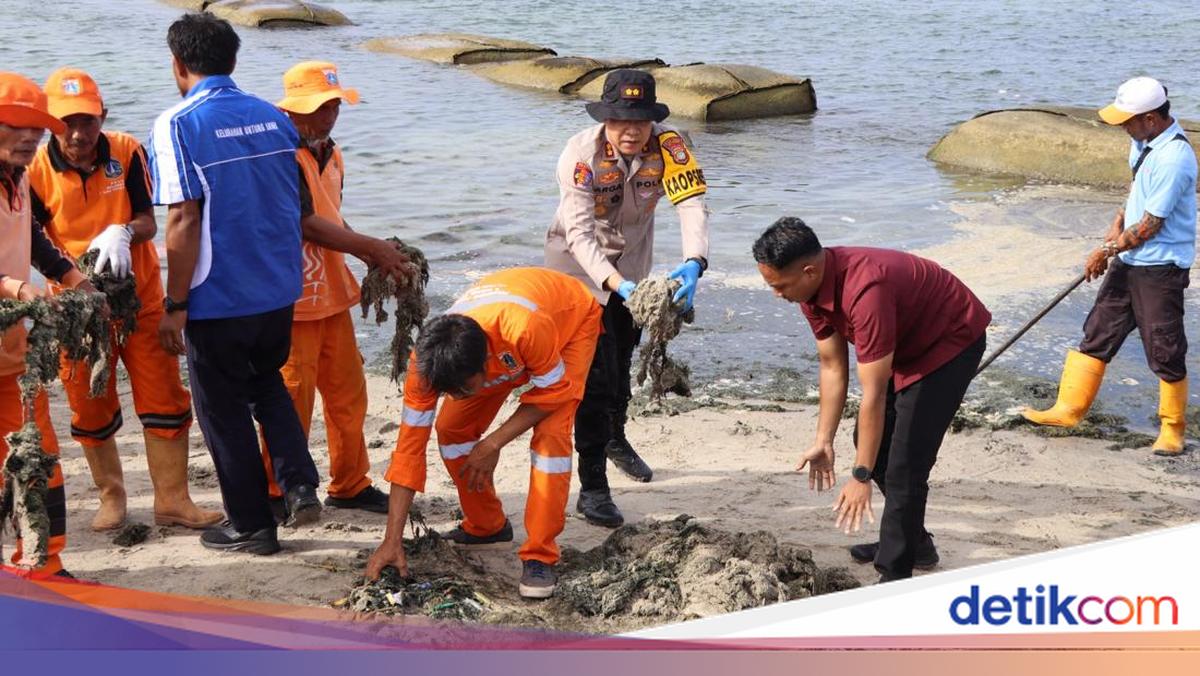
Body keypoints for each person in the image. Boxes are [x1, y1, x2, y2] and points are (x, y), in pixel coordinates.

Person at [147, 13, 322, 555]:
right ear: (235, 60)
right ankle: (298, 482)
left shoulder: (178, 123)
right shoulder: (273, 117)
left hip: (218, 295)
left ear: (178, 64)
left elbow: (183, 219)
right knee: (266, 382)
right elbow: (291, 202)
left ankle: (251, 525)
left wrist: (175, 304)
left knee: (222, 409)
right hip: (276, 287)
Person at [27, 67, 221, 532]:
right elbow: (29, 240)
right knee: (89, 403)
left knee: (166, 399)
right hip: (78, 309)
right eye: (67, 122)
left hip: (143, 299)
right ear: (51, 124)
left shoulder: (127, 151)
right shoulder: (35, 171)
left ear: (103, 117)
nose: (78, 134)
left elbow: (150, 221)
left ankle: (173, 499)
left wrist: (123, 231)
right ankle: (111, 496)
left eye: (88, 121)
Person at [754, 217, 990, 582]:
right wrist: (823, 441)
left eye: (780, 286)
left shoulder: (866, 290)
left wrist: (860, 476)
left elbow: (874, 395)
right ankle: (916, 544)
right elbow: (832, 366)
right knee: (871, 446)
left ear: (809, 270)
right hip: (904, 342)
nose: (777, 294)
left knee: (904, 464)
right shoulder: (808, 290)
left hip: (948, 342)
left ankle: (894, 575)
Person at [364, 267, 602, 599]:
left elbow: (554, 393)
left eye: (464, 389)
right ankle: (486, 525)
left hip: (569, 321)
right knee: (451, 428)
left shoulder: (525, 330)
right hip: (505, 339)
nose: (456, 397)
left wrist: (493, 442)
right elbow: (408, 451)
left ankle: (540, 555)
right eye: (448, 392)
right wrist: (392, 540)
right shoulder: (427, 365)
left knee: (551, 438)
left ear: (486, 365)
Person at [543, 69, 710, 528]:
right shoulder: (580, 154)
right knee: (594, 379)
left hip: (633, 268)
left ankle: (615, 438)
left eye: (639, 120)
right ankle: (593, 488)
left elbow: (691, 201)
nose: (630, 131)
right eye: (620, 120)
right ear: (605, 119)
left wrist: (695, 261)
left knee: (620, 368)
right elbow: (578, 233)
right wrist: (614, 284)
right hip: (578, 271)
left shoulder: (671, 146)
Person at [259, 60, 412, 516]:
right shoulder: (280, 155)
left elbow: (329, 216)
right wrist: (370, 248)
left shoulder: (333, 152)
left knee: (348, 394)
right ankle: (276, 488)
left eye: (332, 106)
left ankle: (350, 483)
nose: (327, 116)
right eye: (317, 108)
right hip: (292, 298)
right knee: (291, 396)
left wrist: (368, 250)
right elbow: (302, 223)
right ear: (289, 111)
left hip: (332, 294)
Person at [1023, 77, 1196, 456]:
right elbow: (1135, 199)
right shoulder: (1144, 144)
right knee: (1099, 330)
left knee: (1164, 348)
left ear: (1150, 118)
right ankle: (1068, 410)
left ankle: (1173, 429)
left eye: (1127, 120)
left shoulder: (1174, 158)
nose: (1121, 127)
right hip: (1130, 259)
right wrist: (1109, 236)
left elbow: (1151, 225)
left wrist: (1105, 251)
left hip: (1160, 267)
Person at [0, 72, 97, 576]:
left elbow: (35, 237)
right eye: (15, 125)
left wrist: (75, 279)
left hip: (13, 349)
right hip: (11, 317)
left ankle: (42, 563)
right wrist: (18, 289)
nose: (29, 138)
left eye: (37, 129)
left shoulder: (17, 179)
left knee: (39, 457)